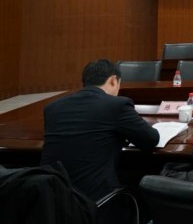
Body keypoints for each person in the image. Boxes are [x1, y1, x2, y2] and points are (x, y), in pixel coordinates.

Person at [41, 59, 160, 201]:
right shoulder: (117, 105)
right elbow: (151, 139)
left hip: (50, 201)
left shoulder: (52, 108)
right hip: (94, 203)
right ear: (113, 80)